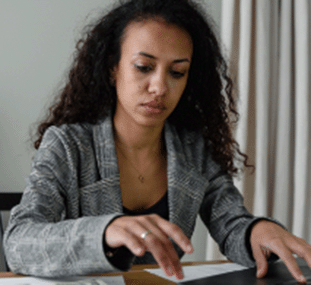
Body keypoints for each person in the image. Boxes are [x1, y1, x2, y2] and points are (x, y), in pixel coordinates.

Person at [4, 0, 311, 282]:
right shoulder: (69, 145)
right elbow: (19, 241)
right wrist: (105, 231)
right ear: (113, 67)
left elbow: (231, 224)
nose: (160, 87)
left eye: (177, 72)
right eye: (144, 67)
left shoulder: (194, 150)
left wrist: (256, 230)